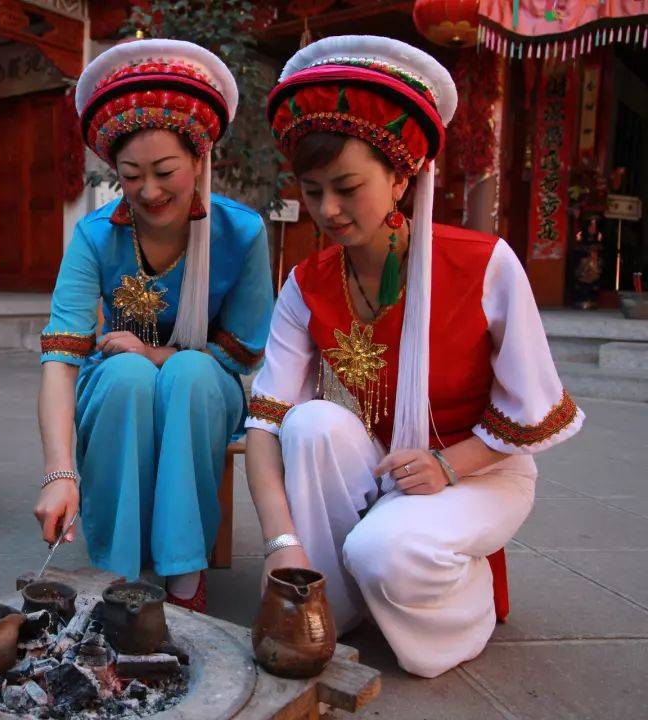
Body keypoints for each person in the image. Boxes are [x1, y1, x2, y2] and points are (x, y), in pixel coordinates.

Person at [245, 36, 584, 677]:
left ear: (403, 176)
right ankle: (331, 603)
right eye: (314, 192)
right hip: (394, 465)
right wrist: (280, 544)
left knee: (384, 550)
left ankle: (466, 607)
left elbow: (534, 416)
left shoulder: (485, 264)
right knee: (308, 423)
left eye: (348, 187)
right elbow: (266, 421)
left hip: (485, 468)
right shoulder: (306, 282)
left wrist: (450, 466)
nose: (329, 211)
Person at [34, 39, 274, 612]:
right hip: (118, 378)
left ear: (199, 160)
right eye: (131, 175)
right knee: (124, 379)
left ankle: (185, 572)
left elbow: (241, 352)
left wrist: (155, 352)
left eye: (165, 171)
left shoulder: (241, 233)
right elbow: (60, 359)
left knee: (187, 372)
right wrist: (57, 471)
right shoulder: (96, 235)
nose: (148, 191)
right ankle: (114, 574)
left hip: (204, 378)